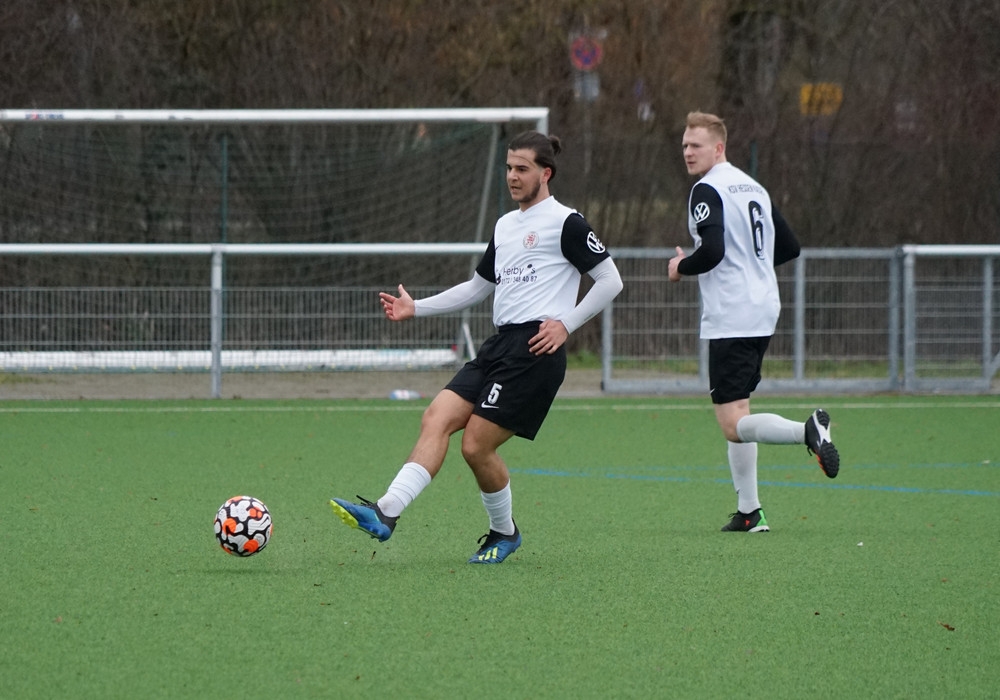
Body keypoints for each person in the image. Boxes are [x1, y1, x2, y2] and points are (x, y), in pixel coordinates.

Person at [331, 131, 623, 563]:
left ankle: (504, 533)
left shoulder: (567, 223)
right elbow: (476, 288)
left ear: (546, 173)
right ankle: (385, 512)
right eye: (509, 168)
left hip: (535, 351)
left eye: (522, 169)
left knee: (475, 446)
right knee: (436, 417)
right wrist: (417, 308)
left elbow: (610, 280)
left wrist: (566, 324)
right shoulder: (505, 225)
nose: (512, 176)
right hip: (499, 344)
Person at [668, 111, 840, 533]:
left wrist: (679, 267)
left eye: (696, 145)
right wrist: (753, 267)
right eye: (685, 144)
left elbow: (712, 251)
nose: (688, 151)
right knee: (739, 411)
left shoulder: (706, 188)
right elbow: (790, 246)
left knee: (732, 425)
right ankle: (750, 512)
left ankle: (808, 431)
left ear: (718, 148)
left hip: (733, 312)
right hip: (763, 306)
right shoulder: (752, 186)